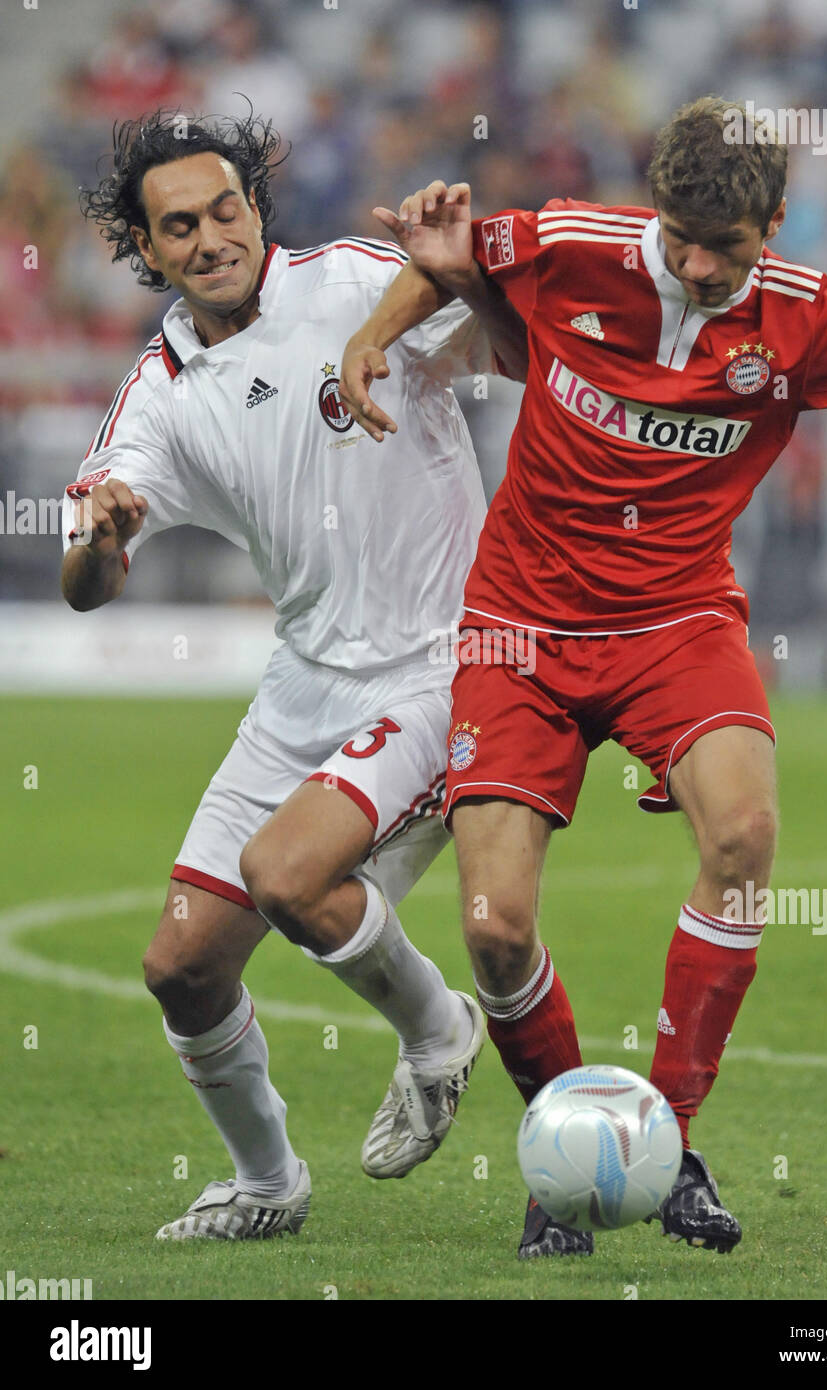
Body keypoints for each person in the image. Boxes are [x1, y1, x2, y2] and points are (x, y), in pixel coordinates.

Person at [340, 96, 827, 1259]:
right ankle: (563, 1138)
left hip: (675, 621)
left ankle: (666, 1144)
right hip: (517, 624)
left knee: (744, 836)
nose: (690, 262)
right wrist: (374, 331)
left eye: (720, 247)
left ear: (772, 226)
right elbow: (451, 257)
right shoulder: (577, 242)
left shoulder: (811, 321)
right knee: (493, 931)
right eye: (676, 234)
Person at [61, 107, 527, 1241]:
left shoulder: (356, 280)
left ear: (256, 204)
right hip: (300, 685)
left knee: (288, 875)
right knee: (179, 964)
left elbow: (511, 347)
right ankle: (266, 1183)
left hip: (437, 667)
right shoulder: (161, 388)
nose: (213, 235)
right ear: (147, 248)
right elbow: (86, 581)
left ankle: (435, 1030)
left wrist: (461, 275)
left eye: (228, 207)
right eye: (180, 225)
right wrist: (101, 537)